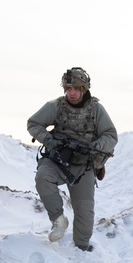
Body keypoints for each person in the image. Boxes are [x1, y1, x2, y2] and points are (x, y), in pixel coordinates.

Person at [27, 67, 118, 251]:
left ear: (84, 88)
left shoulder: (96, 109)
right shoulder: (56, 106)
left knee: (84, 212)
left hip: (83, 165)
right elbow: (33, 123)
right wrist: (49, 139)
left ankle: (81, 249)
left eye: (76, 88)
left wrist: (95, 146)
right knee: (42, 178)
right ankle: (59, 221)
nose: (72, 93)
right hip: (58, 159)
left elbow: (111, 136)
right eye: (68, 89)